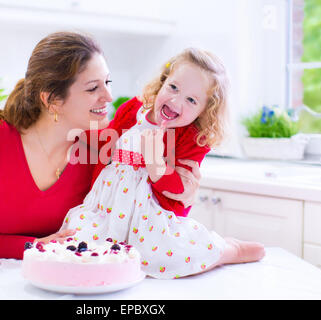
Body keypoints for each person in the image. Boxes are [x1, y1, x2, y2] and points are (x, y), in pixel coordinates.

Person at [0, 31, 202, 259]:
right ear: (53, 100)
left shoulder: (102, 148)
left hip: (71, 281)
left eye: (107, 83)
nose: (109, 96)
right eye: (92, 88)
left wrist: (184, 197)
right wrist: (31, 247)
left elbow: (142, 220)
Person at [60, 48, 265, 279]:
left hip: (149, 216)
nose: (176, 101)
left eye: (191, 100)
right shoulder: (134, 109)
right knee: (79, 243)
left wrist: (156, 163)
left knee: (167, 257)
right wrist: (76, 131)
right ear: (163, 81)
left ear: (204, 110)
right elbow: (109, 139)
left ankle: (229, 250)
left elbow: (179, 189)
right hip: (107, 206)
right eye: (173, 87)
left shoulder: (193, 137)